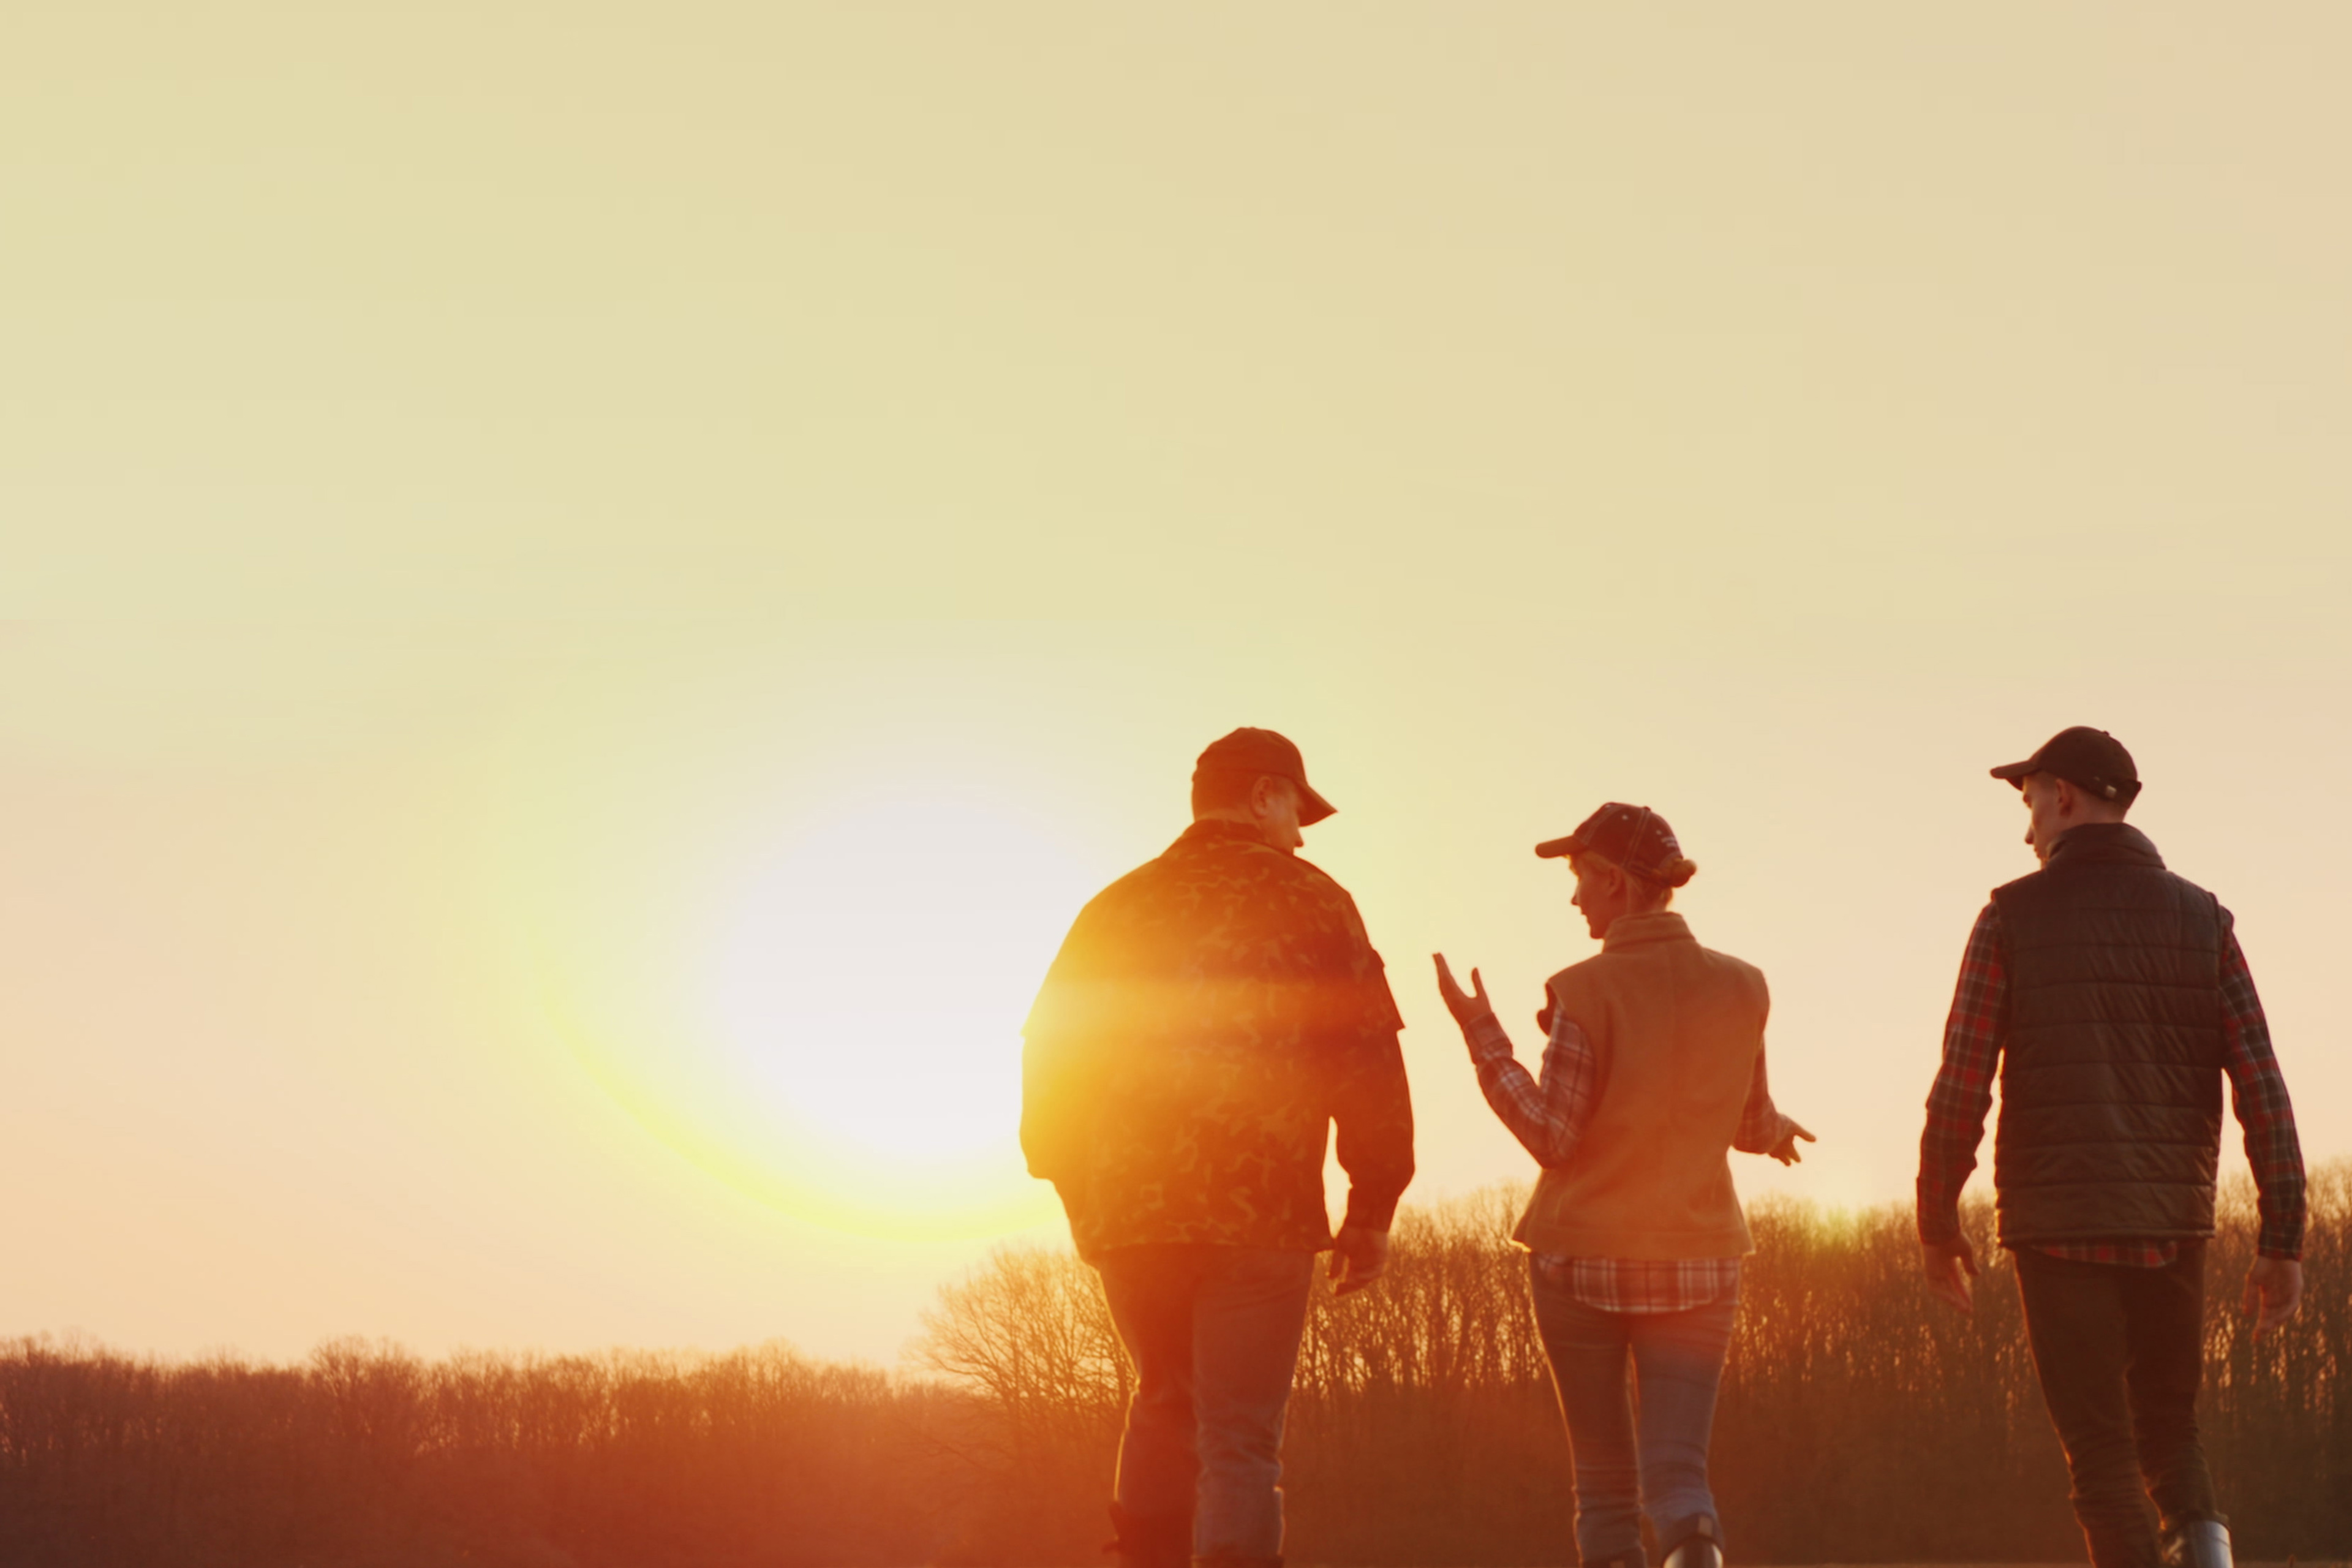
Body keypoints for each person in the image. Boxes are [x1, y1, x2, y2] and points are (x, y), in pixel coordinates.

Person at [1020, 727, 1415, 1568]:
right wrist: (1373, 1206)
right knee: (1239, 1439)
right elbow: (1368, 1057)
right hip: (1261, 1213)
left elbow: (1049, 1054)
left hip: (1132, 1216)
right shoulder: (1315, 902)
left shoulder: (1116, 907)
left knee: (1163, 1403)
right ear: (1265, 794)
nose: (1302, 833)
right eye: (1298, 810)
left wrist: (1078, 1191)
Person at [1915, 726, 2307, 1568]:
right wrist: (2283, 1238)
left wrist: (1936, 1218)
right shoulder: (2206, 920)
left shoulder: (2010, 917)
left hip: (2057, 1227)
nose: (2026, 831)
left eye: (2029, 804)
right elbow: (2263, 1085)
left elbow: (1962, 1081)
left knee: (2099, 1455)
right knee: (2171, 1432)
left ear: (2063, 796)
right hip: (2171, 1223)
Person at [1434, 804, 1813, 1568]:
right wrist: (1776, 1135)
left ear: (1612, 880)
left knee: (1605, 1487)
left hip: (1582, 1261)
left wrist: (1484, 1036)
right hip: (1704, 1263)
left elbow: (1554, 1136)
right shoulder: (1745, 986)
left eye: (1579, 879)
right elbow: (1749, 1118)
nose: (1575, 898)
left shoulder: (1582, 990)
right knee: (1679, 1480)